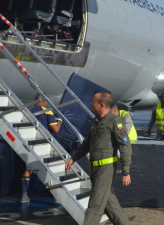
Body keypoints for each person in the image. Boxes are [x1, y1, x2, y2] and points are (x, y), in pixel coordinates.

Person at [65, 92, 131, 225]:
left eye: (93, 101)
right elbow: (87, 143)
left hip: (106, 169)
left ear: (101, 105)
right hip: (95, 168)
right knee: (110, 204)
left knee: (94, 206)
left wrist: (126, 171)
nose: (90, 103)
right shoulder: (96, 121)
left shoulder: (114, 121)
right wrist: (74, 158)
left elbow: (125, 146)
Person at [21, 93, 62, 203]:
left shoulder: (27, 110)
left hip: (29, 143)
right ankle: (55, 197)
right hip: (43, 143)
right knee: (50, 169)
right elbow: (55, 129)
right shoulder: (47, 111)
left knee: (28, 169)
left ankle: (24, 196)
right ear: (44, 101)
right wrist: (59, 121)